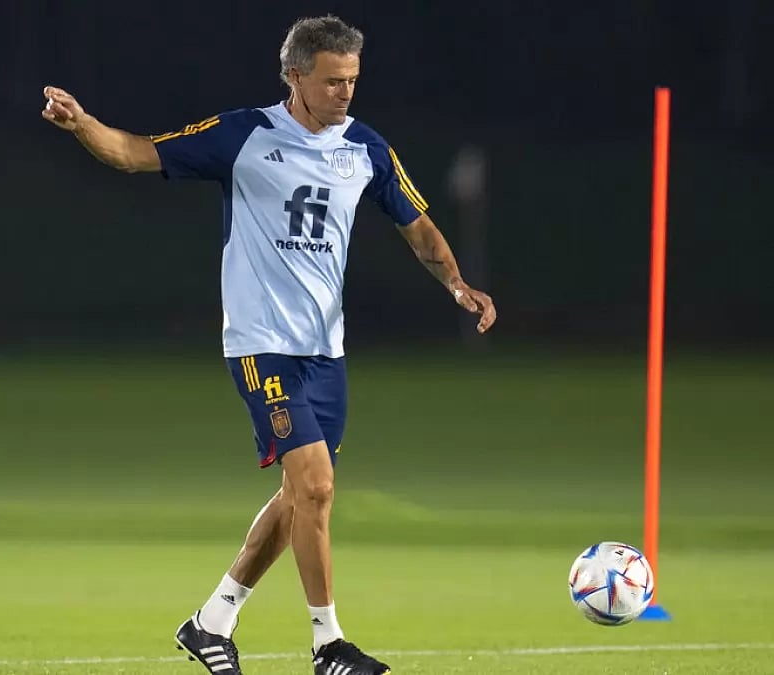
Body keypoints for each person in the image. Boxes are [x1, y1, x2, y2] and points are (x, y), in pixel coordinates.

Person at [41, 15, 496, 675]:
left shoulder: (366, 148)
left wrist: (456, 282)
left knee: (298, 495)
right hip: (260, 344)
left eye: (353, 80)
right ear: (295, 76)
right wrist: (83, 124)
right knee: (315, 484)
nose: (345, 92)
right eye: (332, 80)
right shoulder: (244, 135)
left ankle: (211, 620)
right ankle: (328, 644)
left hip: (325, 353)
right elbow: (136, 151)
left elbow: (416, 223)